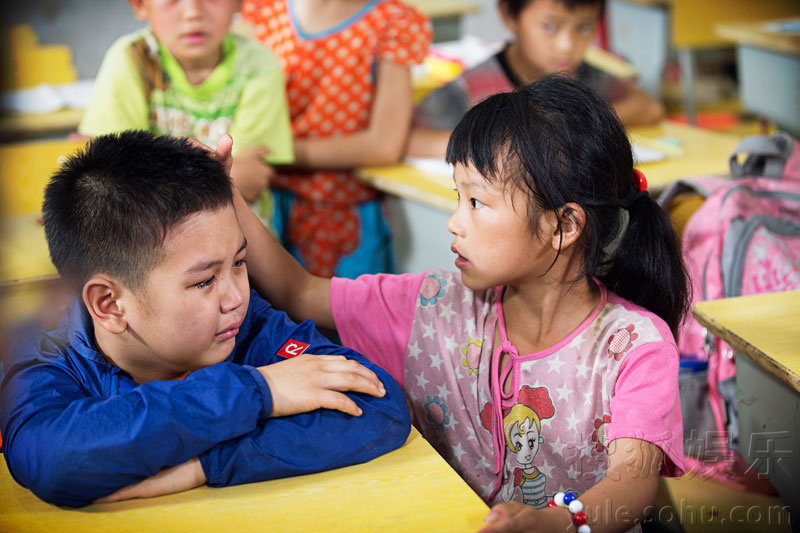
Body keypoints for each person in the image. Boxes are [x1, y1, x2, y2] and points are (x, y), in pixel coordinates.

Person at [234, 76, 690, 532]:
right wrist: (224, 193)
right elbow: (300, 294)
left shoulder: (632, 346)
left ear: (563, 225)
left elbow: (631, 486)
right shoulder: (434, 305)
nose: (455, 222)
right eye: (458, 197)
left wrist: (552, 525)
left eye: (477, 201)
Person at [0, 131, 410, 508]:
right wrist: (259, 390)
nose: (237, 297)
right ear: (110, 305)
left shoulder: (253, 329)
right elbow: (55, 459)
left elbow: (378, 406)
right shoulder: (45, 355)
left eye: (239, 262)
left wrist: (204, 466)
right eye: (203, 282)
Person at [240, 0, 432, 278]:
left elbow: (384, 145)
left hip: (344, 216)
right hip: (266, 205)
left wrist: (275, 153)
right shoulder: (264, 10)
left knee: (344, 312)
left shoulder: (392, 22)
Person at [78, 0, 293, 219]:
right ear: (140, 5)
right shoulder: (130, 59)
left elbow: (250, 180)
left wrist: (155, 181)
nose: (193, 12)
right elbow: (115, 178)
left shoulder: (259, 66)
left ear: (239, 3)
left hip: (241, 228)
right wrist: (224, 176)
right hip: (154, 235)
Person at [407, 0, 665, 158]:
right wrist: (505, 138)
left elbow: (649, 107)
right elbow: (406, 140)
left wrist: (578, 120)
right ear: (509, 15)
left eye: (584, 28)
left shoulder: (584, 76)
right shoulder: (473, 85)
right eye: (550, 27)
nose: (567, 46)